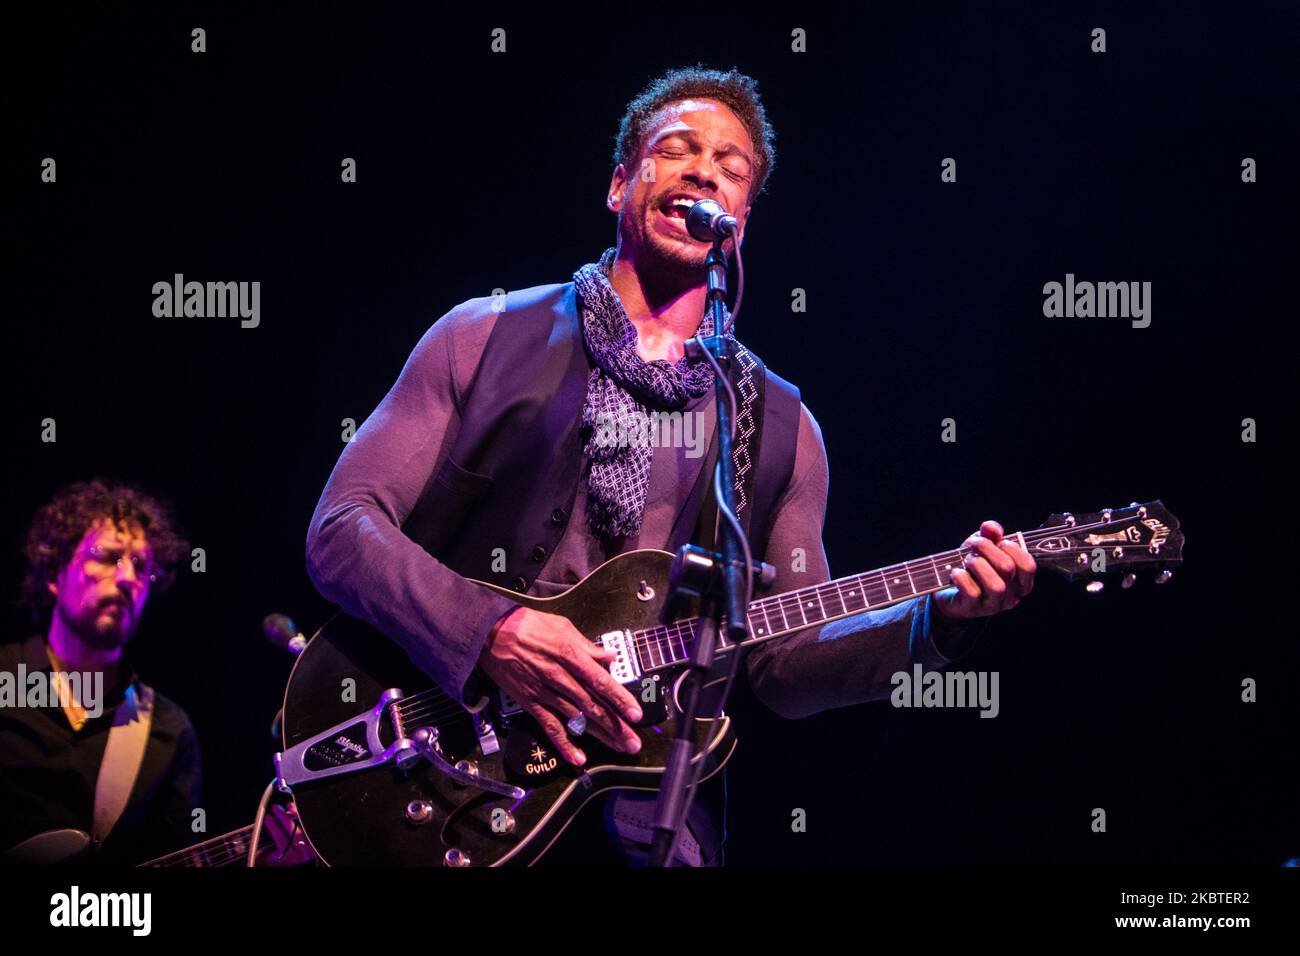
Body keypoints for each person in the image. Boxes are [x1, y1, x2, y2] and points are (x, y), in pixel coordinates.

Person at [306, 66, 1036, 866]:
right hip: (445, 764)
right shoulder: (483, 335)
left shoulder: (782, 426)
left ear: (741, 219)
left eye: (730, 168)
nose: (703, 172)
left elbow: (786, 664)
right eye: (677, 151)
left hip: (637, 818)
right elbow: (343, 530)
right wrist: (490, 632)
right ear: (621, 185)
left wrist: (937, 619)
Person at [1, 479, 200, 865]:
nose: (128, 578)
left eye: (142, 566)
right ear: (55, 572)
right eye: (108, 556)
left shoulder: (169, 731)